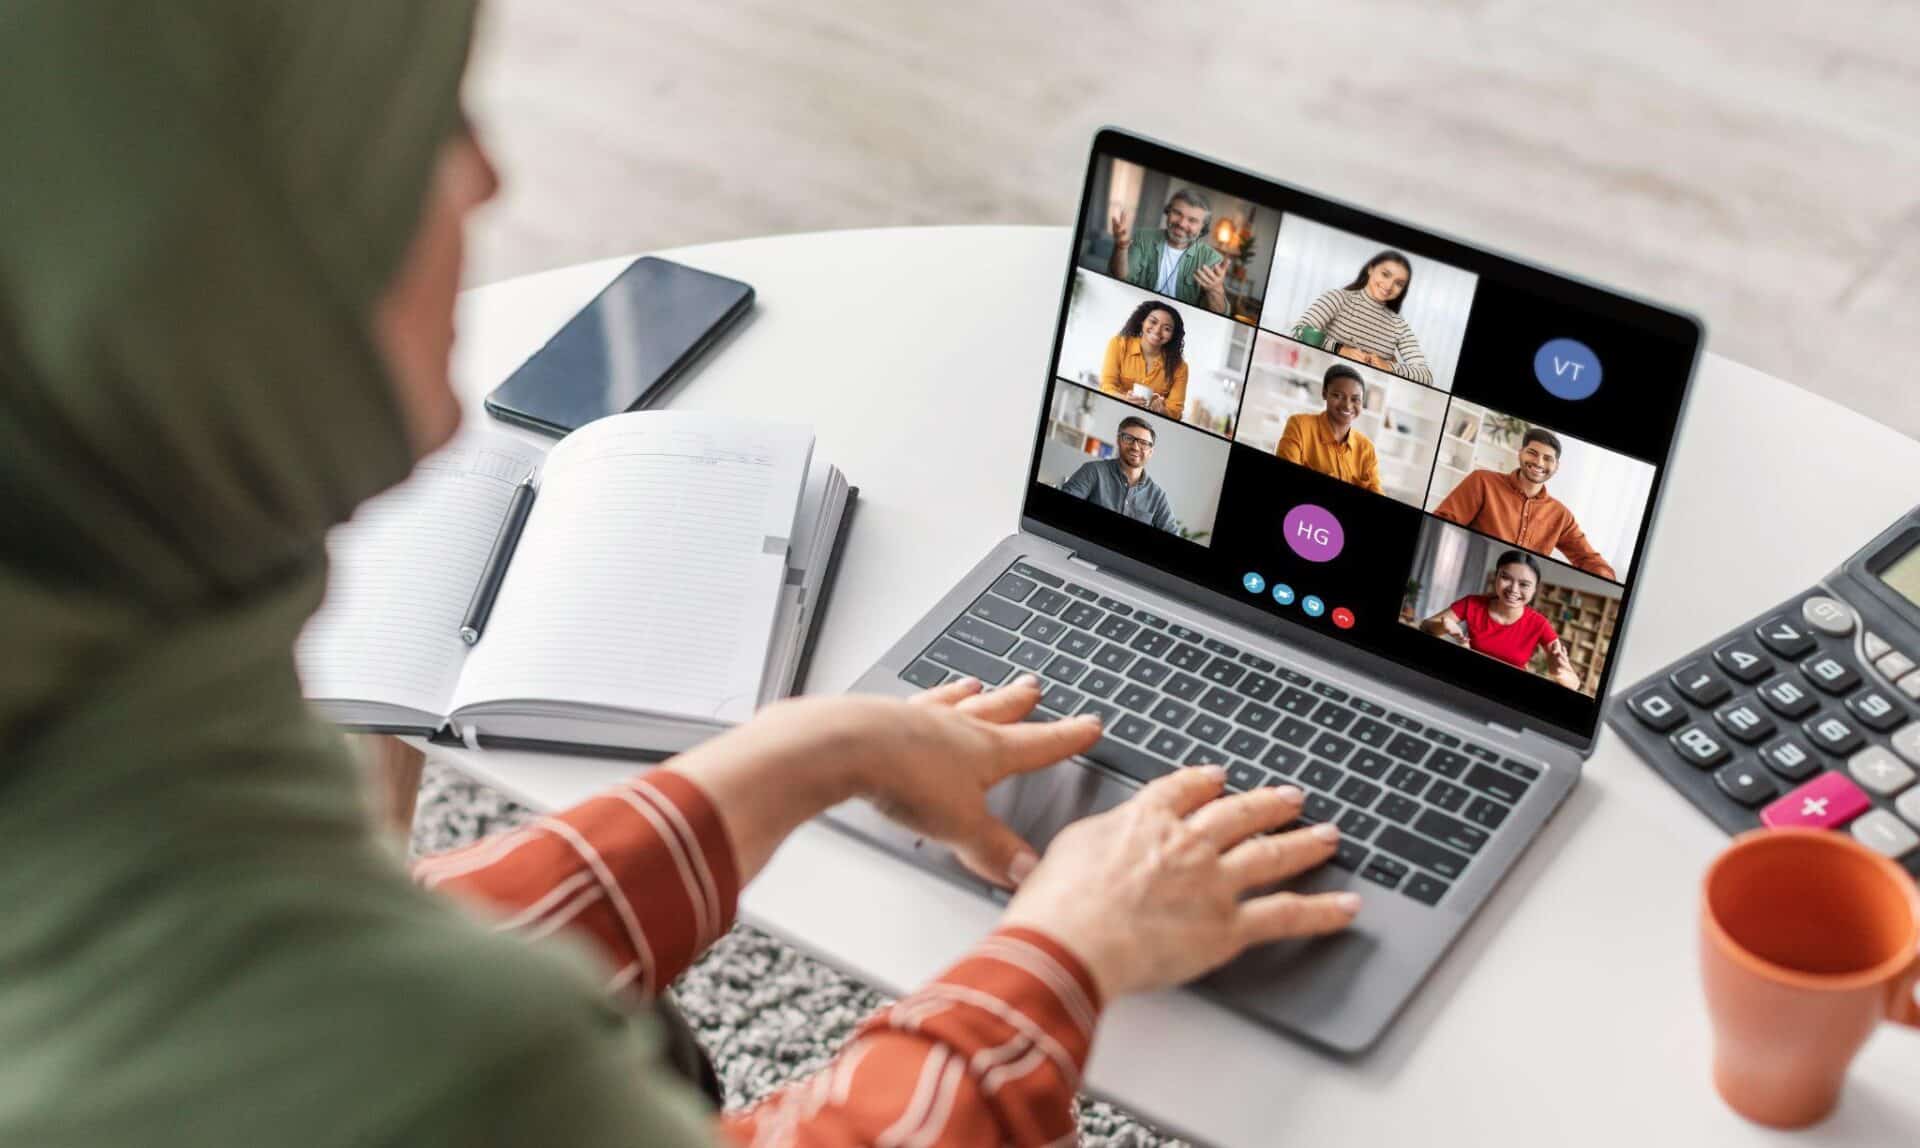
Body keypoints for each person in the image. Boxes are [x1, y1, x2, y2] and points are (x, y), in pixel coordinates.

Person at [0, 7, 1364, 1146]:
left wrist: (795, 759)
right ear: (208, 277)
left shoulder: (100, 778)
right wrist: (1068, 955)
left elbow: (364, 961)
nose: (485, 180)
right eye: (409, 137)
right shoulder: (422, 1073)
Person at [1431, 426, 1618, 580]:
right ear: (1520, 453)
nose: (1539, 462)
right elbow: (1443, 522)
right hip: (1466, 572)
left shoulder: (1561, 515)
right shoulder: (1482, 481)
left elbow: (1587, 558)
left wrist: (1605, 576)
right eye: (1532, 453)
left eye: (1548, 458)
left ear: (1556, 466)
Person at [1420, 551, 1582, 690]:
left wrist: (1558, 673)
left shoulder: (1539, 624)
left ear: (1535, 590)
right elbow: (1425, 626)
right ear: (1496, 576)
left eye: (1524, 584)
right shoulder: (1473, 603)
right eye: (1505, 577)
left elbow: (1574, 684)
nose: (1513, 589)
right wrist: (1445, 626)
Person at [1290, 250, 1434, 385]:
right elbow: (1298, 332)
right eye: (1385, 274)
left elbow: (1426, 377)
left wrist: (1390, 367)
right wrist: (1340, 349)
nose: (1389, 285)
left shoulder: (1399, 326)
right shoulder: (1338, 298)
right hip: (1317, 380)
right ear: (1371, 269)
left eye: (1399, 283)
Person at [1108, 187, 1232, 314]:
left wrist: (1216, 290)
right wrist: (1121, 247)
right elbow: (1121, 277)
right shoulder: (1143, 237)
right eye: (1177, 213)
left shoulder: (1212, 259)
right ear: (1168, 212)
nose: (1182, 224)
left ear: (1202, 228)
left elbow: (1219, 313)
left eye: (1192, 220)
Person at [1060, 416, 1181, 534]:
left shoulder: (1157, 496)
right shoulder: (1092, 471)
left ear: (1150, 452)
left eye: (1143, 443)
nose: (1135, 447)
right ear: (1118, 441)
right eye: (1128, 438)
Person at [1275, 364, 1382, 493]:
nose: (1348, 406)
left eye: (1355, 399)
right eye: (1338, 396)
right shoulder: (1299, 425)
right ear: (1324, 394)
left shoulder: (1366, 448)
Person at [1098, 300, 1189, 420]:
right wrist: (1125, 399)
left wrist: (1162, 410)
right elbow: (1106, 385)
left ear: (1173, 335)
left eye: (1166, 329)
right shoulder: (1118, 344)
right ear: (1142, 321)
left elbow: (1176, 411)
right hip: (1112, 413)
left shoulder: (1180, 367)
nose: (1157, 331)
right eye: (1153, 322)